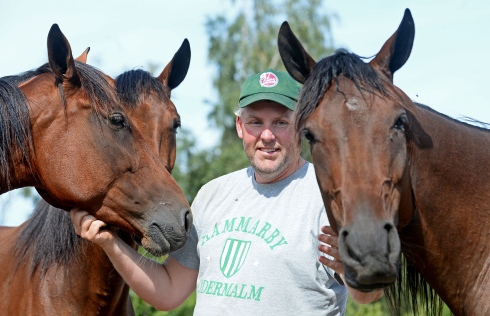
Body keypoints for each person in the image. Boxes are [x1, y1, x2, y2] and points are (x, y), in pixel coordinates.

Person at [71, 68, 383, 315]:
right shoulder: (212, 194)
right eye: (256, 122)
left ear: (301, 125)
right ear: (239, 126)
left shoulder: (327, 196)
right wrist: (110, 244)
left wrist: (355, 268)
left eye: (281, 122)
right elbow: (168, 292)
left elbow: (368, 296)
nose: (268, 135)